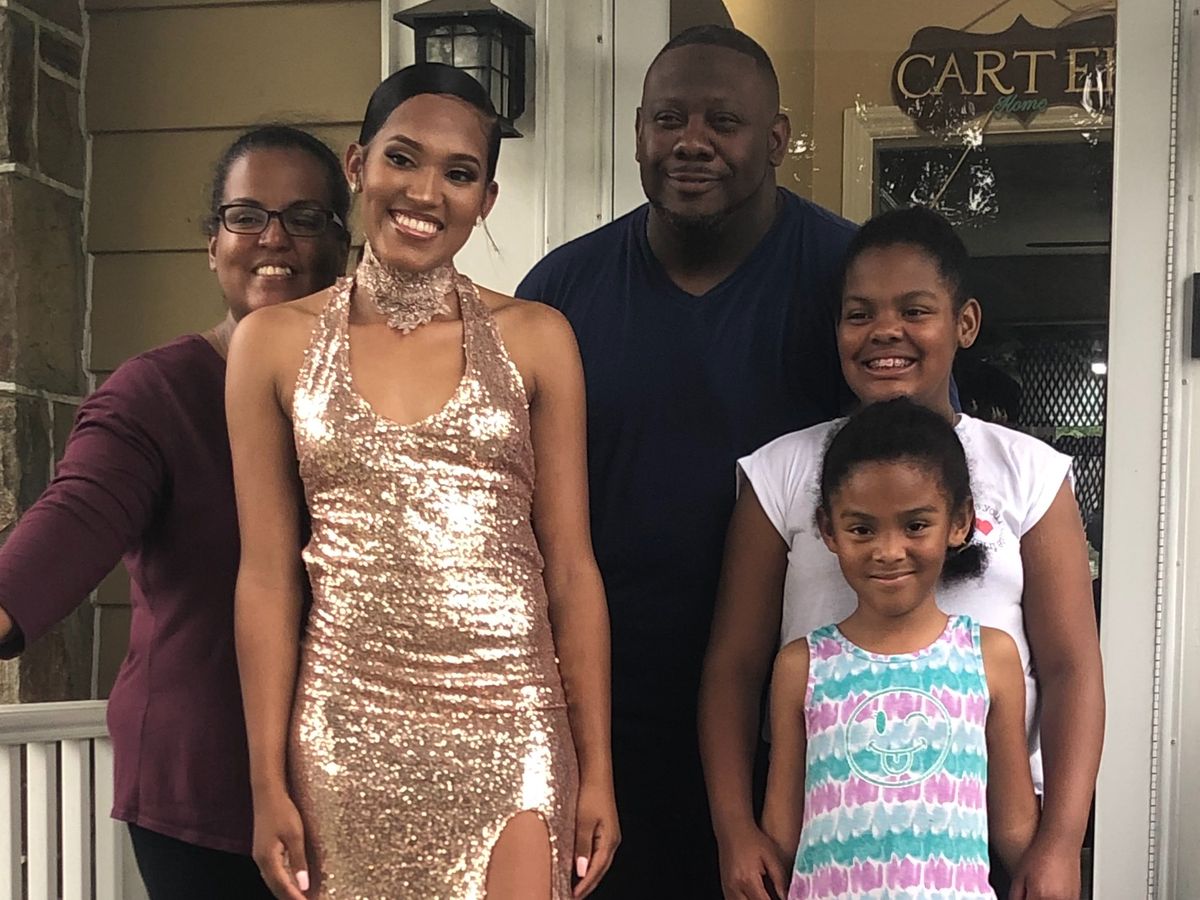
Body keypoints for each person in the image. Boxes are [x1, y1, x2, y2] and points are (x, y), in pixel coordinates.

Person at [227, 63, 618, 900]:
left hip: (512, 719)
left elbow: (571, 567)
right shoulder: (272, 343)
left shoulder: (539, 338)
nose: (425, 192)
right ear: (357, 164)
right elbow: (265, 577)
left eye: (459, 173)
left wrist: (598, 770)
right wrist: (265, 780)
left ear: (487, 199)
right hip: (346, 728)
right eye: (402, 158)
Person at [516, 26, 855, 896]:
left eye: (723, 122)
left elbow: (928, 464)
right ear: (638, 131)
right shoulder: (559, 296)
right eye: (668, 119)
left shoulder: (848, 283)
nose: (691, 141)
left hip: (802, 720)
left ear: (775, 140)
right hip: (604, 718)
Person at [701, 207, 1104, 900]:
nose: (885, 331)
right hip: (830, 827)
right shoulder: (783, 472)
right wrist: (735, 829)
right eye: (859, 314)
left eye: (915, 310)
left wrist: (1061, 842)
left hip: (975, 831)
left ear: (964, 323)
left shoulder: (1028, 472)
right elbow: (734, 667)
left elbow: (1072, 668)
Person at [0, 125, 351, 898]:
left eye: (304, 217)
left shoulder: (379, 399)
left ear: (342, 247)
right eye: (246, 215)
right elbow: (76, 516)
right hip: (206, 787)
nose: (274, 239)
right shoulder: (156, 394)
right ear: (211, 244)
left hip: (363, 782)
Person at [761, 398, 1039, 899]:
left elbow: (1014, 824)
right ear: (828, 530)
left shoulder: (990, 658)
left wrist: (1045, 871)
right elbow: (782, 828)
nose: (888, 551)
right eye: (862, 528)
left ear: (960, 522)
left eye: (915, 525)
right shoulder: (802, 666)